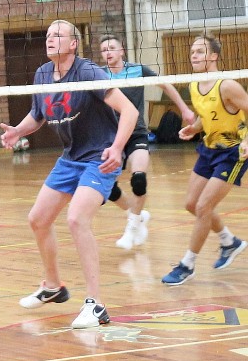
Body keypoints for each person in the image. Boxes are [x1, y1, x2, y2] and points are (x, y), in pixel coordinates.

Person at [0, 20, 137, 328]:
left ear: (74, 44)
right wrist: (18, 131)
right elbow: (37, 115)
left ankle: (96, 304)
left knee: (77, 219)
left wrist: (117, 148)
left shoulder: (88, 72)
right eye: (48, 35)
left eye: (58, 35)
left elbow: (130, 110)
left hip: (100, 156)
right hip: (70, 158)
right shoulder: (42, 74)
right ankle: (53, 287)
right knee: (38, 219)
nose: (50, 39)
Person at [161, 33, 248, 285]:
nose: (194, 55)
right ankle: (229, 242)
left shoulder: (227, 85)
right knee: (191, 204)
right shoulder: (194, 84)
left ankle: (187, 265)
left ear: (214, 56)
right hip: (208, 149)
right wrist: (194, 128)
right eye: (192, 52)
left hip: (233, 152)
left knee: (203, 207)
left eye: (200, 51)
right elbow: (207, 114)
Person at [99, 33, 196, 250]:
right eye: (104, 50)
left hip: (136, 134)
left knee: (139, 180)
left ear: (122, 50)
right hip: (111, 138)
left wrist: (184, 108)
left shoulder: (138, 70)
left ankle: (132, 227)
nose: (108, 53)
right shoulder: (99, 75)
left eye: (111, 48)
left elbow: (165, 85)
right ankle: (138, 215)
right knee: (108, 189)